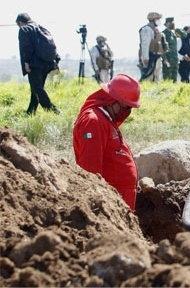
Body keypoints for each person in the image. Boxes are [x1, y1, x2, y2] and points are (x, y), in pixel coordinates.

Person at [73, 74, 141, 211]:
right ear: (115, 101)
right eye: (128, 107)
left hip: (121, 199)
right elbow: (90, 169)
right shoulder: (94, 122)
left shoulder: (106, 119)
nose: (128, 112)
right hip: (110, 203)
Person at [16, 13, 61, 115]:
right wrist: (57, 60)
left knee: (36, 88)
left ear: (20, 22)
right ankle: (30, 112)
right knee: (36, 88)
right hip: (47, 63)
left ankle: (52, 110)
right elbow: (52, 45)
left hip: (34, 64)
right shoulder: (41, 28)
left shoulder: (24, 29)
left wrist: (26, 62)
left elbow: (26, 47)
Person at [139, 12, 167, 82]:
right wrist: (146, 58)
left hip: (157, 57)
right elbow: (145, 45)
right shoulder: (147, 30)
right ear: (152, 20)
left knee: (157, 77)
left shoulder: (155, 30)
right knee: (149, 77)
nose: (159, 20)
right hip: (150, 57)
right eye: (157, 19)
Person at [161, 17, 181, 82]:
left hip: (174, 59)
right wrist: (164, 58)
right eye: (171, 22)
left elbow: (184, 35)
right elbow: (162, 47)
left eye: (173, 22)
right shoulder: (163, 34)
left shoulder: (174, 34)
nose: (173, 24)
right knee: (167, 78)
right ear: (167, 23)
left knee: (174, 79)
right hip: (168, 59)